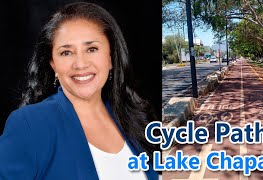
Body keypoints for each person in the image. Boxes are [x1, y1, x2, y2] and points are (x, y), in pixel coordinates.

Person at [0, 2, 158, 180]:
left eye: (92, 49)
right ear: (53, 64)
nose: (80, 64)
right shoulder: (28, 124)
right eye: (66, 53)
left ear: (111, 57)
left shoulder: (132, 116)